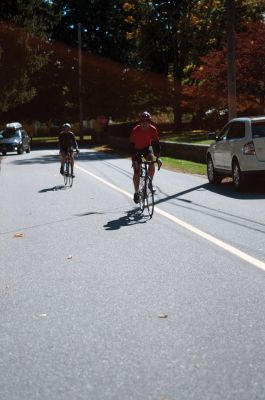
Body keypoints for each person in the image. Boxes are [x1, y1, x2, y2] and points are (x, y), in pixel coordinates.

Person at [129, 111, 162, 204]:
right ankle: (136, 192)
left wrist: (158, 157)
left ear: (149, 122)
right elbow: (131, 146)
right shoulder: (135, 130)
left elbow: (156, 144)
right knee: (136, 171)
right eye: (142, 122)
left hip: (146, 149)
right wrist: (133, 160)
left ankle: (148, 183)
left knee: (152, 161)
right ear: (139, 122)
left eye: (146, 122)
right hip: (136, 151)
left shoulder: (153, 129)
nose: (144, 124)